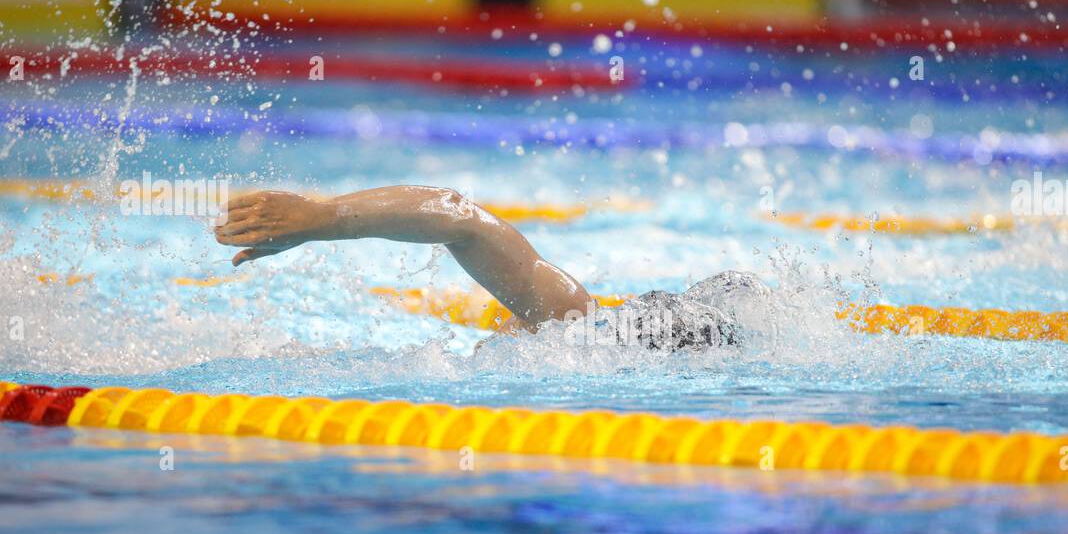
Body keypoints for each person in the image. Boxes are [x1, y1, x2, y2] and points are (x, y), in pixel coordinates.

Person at [215, 185, 761, 349]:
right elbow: (460, 219)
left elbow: (461, 219)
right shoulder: (582, 330)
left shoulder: (579, 333)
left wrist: (323, 218)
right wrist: (321, 219)